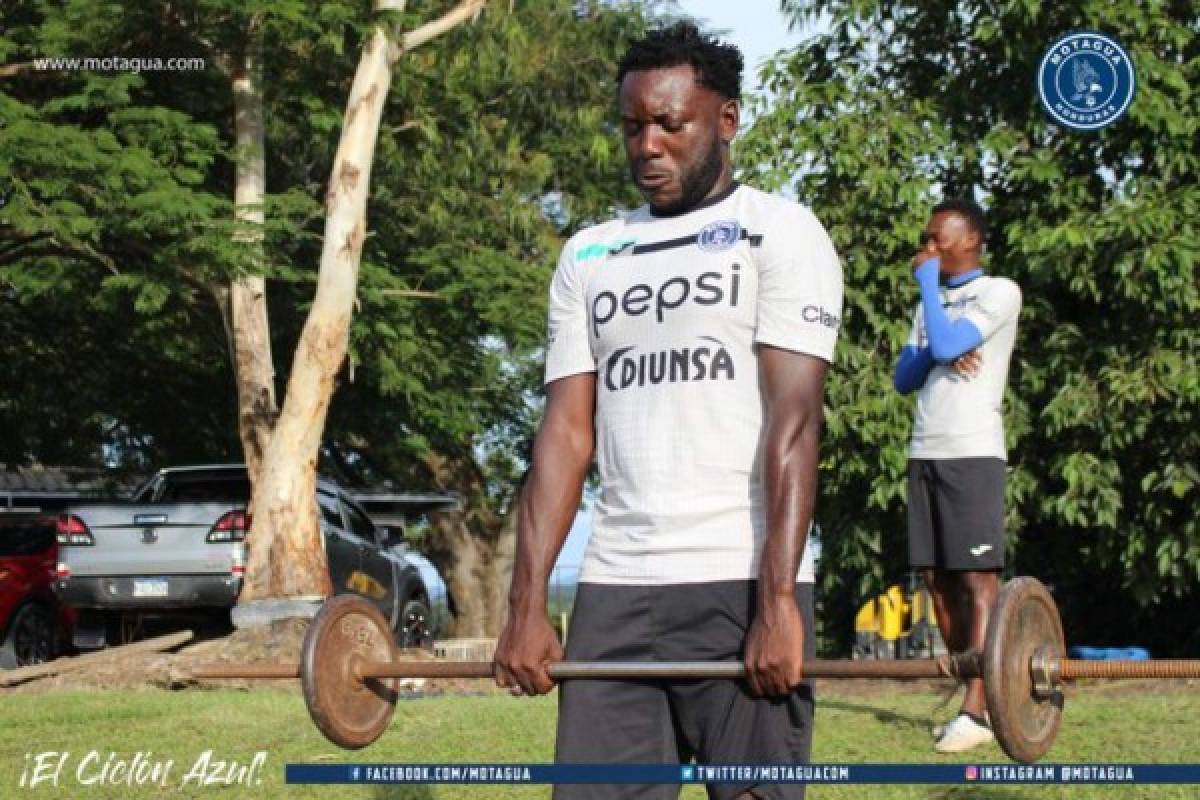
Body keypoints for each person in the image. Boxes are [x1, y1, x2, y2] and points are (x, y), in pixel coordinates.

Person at [493, 21, 843, 800]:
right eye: (632, 125)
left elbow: (794, 425)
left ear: (725, 121)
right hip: (617, 585)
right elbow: (563, 433)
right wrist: (526, 605)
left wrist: (779, 600)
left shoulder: (779, 233)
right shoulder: (588, 254)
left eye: (670, 124)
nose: (647, 145)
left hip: (740, 576)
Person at [893, 199, 1022, 753]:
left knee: (977, 580)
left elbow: (944, 345)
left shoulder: (998, 292)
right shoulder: (933, 305)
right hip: (926, 451)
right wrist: (941, 344)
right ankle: (972, 686)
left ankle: (980, 705)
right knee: (934, 578)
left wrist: (935, 315)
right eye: (924, 240)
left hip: (973, 453)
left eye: (935, 238)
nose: (926, 248)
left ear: (968, 239)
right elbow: (905, 375)